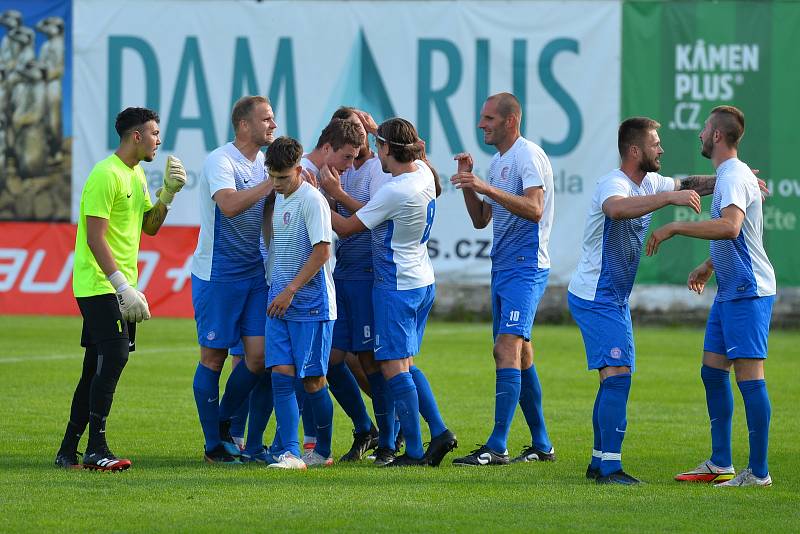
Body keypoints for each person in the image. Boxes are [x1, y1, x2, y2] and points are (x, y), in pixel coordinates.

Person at [567, 116, 715, 485]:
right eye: (655, 143)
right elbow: (616, 209)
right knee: (617, 376)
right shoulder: (613, 184)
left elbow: (690, 184)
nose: (661, 148)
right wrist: (669, 197)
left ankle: (599, 462)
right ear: (635, 151)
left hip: (612, 297)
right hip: (596, 294)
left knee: (612, 378)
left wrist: (733, 179)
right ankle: (610, 469)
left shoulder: (649, 181)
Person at [646, 106, 775, 487]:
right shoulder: (729, 175)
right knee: (712, 371)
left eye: (705, 128)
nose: (700, 134)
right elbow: (739, 234)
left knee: (750, 379)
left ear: (717, 136)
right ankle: (721, 462)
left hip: (748, 292)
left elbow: (732, 228)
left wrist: (674, 228)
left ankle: (759, 473)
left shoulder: (733, 176)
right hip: (730, 291)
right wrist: (708, 266)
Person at [55, 107, 187, 470]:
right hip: (99, 284)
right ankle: (97, 447)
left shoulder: (137, 174)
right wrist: (122, 287)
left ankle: (68, 450)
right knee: (115, 356)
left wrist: (168, 196)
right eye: (155, 133)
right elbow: (95, 238)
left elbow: (150, 226)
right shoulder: (105, 175)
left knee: (93, 367)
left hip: (117, 285)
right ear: (136, 136)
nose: (159, 139)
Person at [330, 117, 456, 467]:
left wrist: (318, 193)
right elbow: (413, 156)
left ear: (387, 148)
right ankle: (440, 432)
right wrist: (375, 131)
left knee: (392, 366)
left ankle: (415, 451)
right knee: (406, 363)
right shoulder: (423, 174)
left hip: (395, 286)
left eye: (379, 147)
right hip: (421, 279)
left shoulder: (394, 190)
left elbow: (344, 227)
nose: (376, 158)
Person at [449, 92, 556, 466]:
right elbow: (481, 219)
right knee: (522, 354)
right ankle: (542, 443)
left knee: (505, 349)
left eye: (489, 118)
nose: (482, 125)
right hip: (503, 267)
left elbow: (535, 208)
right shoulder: (497, 164)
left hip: (526, 266)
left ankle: (497, 445)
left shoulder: (528, 156)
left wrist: (485, 187)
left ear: (510, 121)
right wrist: (468, 184)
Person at [190, 95, 276, 464]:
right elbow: (228, 204)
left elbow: (266, 212)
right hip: (218, 274)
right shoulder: (220, 160)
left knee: (258, 358)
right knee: (214, 357)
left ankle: (221, 422)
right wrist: (270, 184)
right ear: (244, 125)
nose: (273, 125)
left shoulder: (264, 164)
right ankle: (214, 445)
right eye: (267, 119)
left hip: (254, 272)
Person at [264, 136, 336, 469]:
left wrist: (290, 289)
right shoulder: (280, 197)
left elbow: (322, 252)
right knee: (280, 373)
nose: (277, 184)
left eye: (283, 177)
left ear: (297, 168)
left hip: (311, 304)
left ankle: (322, 450)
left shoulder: (312, 200)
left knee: (312, 380)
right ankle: (291, 452)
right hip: (279, 301)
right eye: (272, 177)